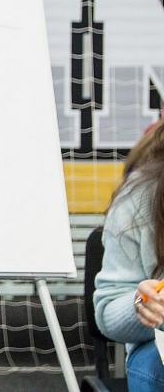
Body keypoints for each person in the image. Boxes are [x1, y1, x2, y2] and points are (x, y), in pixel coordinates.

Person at [95, 118, 164, 391]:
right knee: (151, 366)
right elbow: (109, 310)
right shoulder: (139, 196)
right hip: (155, 351)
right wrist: (142, 303)